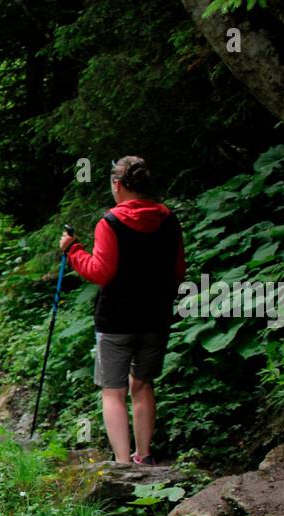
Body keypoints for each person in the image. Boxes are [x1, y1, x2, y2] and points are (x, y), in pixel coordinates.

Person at [60, 156, 184, 465]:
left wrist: (72, 250)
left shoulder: (111, 222)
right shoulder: (168, 219)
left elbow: (101, 272)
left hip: (116, 318)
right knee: (142, 386)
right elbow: (178, 271)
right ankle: (144, 455)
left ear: (117, 185)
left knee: (113, 391)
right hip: (155, 316)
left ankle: (123, 464)